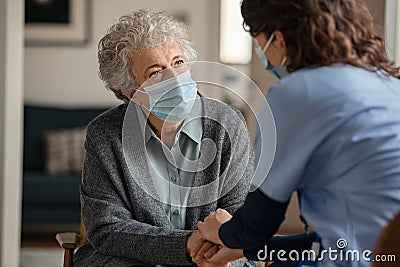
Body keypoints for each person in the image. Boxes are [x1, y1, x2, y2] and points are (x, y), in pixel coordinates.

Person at [196, 0, 400, 266]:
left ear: (278, 38)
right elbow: (330, 244)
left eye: (260, 44)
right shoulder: (387, 83)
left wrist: (221, 231)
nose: (263, 55)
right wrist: (245, 250)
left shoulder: (295, 93)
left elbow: (256, 226)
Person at [73, 9, 256, 267]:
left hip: (218, 258)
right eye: (155, 72)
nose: (175, 78)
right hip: (134, 260)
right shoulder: (105, 135)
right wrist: (183, 245)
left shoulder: (228, 124)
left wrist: (208, 251)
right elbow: (107, 227)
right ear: (129, 91)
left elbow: (241, 214)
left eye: (179, 62)